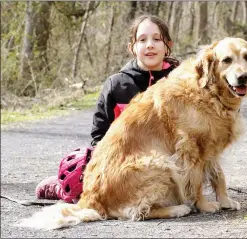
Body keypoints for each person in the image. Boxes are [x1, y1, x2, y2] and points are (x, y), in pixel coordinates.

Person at [35, 14, 180, 203]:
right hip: (126, 160)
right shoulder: (116, 84)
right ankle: (63, 188)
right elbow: (99, 136)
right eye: (142, 40)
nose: (150, 45)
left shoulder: (180, 82)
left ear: (168, 44)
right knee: (81, 163)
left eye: (157, 39)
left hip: (169, 158)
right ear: (132, 47)